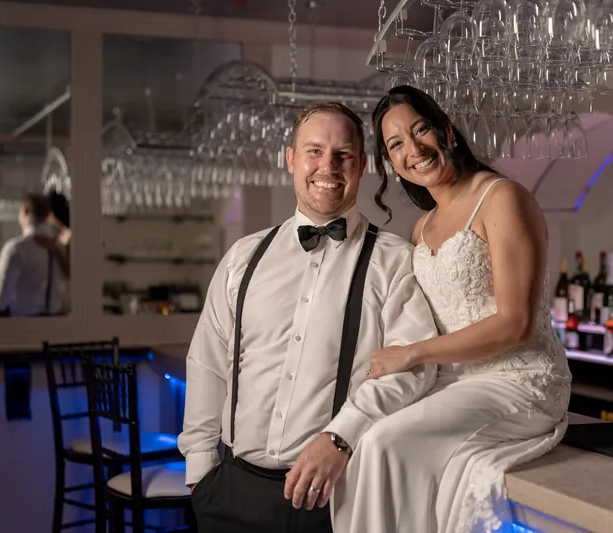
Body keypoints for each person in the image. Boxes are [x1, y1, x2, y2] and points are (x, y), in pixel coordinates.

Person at [177, 102, 440, 533]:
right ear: (291, 159)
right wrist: (200, 469)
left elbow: (414, 368)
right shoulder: (243, 257)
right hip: (230, 492)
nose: (328, 166)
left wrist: (341, 437)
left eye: (342, 154)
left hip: (336, 498)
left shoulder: (395, 263)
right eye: (314, 151)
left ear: (362, 165)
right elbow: (208, 361)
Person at [331, 86, 572, 533]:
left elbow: (516, 323)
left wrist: (412, 354)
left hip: (519, 380)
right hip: (454, 385)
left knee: (385, 443)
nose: (413, 149)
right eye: (396, 144)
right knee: (362, 439)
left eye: (419, 129)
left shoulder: (501, 197)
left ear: (446, 131)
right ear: (389, 163)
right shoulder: (423, 227)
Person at [0, 194, 68, 318]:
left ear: (24, 212)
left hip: (23, 326)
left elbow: (1, 297)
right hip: (57, 326)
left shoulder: (16, 248)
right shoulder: (60, 249)